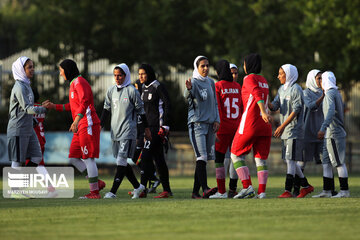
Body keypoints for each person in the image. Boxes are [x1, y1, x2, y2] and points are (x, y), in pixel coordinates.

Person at [43, 59, 104, 199]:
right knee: (73, 158)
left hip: (87, 123)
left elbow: (84, 102)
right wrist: (54, 106)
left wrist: (76, 121)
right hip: (80, 124)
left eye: (61, 71)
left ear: (68, 70)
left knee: (88, 159)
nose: (60, 74)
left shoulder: (80, 82)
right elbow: (72, 106)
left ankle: (94, 193)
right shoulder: (73, 84)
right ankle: (96, 182)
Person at [99, 63, 150, 199]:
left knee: (121, 160)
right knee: (121, 162)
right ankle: (138, 187)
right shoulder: (110, 91)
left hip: (128, 131)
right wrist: (100, 125)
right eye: (115, 75)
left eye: (120, 75)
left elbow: (141, 111)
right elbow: (106, 110)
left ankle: (112, 192)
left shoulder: (132, 91)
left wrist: (146, 129)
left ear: (126, 75)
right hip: (115, 132)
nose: (117, 78)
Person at [7, 56, 50, 198]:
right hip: (18, 128)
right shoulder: (19, 86)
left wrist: (35, 120)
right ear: (21, 69)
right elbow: (27, 108)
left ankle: (20, 186)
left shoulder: (27, 85)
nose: (32, 69)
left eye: (32, 66)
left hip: (28, 128)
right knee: (18, 160)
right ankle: (15, 191)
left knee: (37, 157)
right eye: (29, 67)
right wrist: (43, 108)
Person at [230, 53, 272, 199]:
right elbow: (264, 97)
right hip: (265, 125)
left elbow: (256, 94)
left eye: (244, 63)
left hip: (251, 122)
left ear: (249, 65)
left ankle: (247, 186)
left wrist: (262, 111)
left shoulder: (249, 78)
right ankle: (262, 192)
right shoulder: (264, 80)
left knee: (235, 154)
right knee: (260, 158)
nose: (243, 66)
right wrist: (266, 111)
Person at [269, 64, 314, 198]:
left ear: (289, 75)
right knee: (290, 160)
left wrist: (282, 126)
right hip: (285, 131)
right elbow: (275, 105)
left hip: (293, 130)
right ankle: (306, 186)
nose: (278, 76)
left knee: (290, 160)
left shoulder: (296, 89)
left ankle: (287, 191)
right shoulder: (281, 89)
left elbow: (296, 110)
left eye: (281, 73)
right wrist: (264, 100)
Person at [184, 55, 220, 199]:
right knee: (202, 157)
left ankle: (194, 193)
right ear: (196, 68)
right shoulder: (193, 81)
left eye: (207, 65)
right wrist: (189, 89)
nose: (205, 68)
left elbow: (215, 103)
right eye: (202, 66)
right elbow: (187, 95)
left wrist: (217, 120)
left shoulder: (211, 82)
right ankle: (205, 188)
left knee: (203, 159)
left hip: (210, 125)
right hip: (197, 124)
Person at [138, 63, 173, 198]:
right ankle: (166, 190)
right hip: (148, 129)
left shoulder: (158, 87)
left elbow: (168, 105)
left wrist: (165, 125)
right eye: (139, 74)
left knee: (145, 157)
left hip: (157, 129)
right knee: (158, 159)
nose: (140, 76)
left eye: (143, 74)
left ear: (149, 74)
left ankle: (142, 189)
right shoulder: (143, 88)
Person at [209, 60, 242, 199]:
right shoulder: (237, 86)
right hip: (237, 126)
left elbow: (217, 108)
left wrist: (217, 129)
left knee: (219, 160)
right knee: (236, 158)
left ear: (217, 72)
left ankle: (221, 191)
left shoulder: (218, 86)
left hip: (223, 128)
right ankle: (234, 189)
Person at [292, 70, 327, 196]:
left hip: (321, 133)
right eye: (318, 78)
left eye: (322, 78)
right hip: (307, 133)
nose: (320, 81)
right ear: (312, 79)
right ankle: (296, 189)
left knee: (326, 162)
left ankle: (328, 189)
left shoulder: (326, 92)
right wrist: (323, 96)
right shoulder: (306, 92)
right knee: (301, 162)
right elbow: (311, 106)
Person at [315, 71, 350, 198]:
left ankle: (344, 191)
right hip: (329, 134)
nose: (319, 82)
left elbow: (330, 112)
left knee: (339, 162)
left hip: (333, 133)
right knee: (326, 162)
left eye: (321, 79)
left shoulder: (330, 93)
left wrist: (323, 128)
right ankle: (327, 190)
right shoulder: (335, 93)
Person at [132, 78, 161, 194]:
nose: (134, 89)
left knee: (142, 157)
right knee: (136, 158)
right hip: (139, 134)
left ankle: (149, 181)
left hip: (145, 133)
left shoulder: (144, 102)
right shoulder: (136, 101)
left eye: (136, 87)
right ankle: (153, 177)